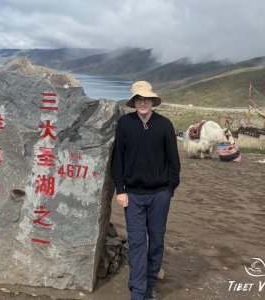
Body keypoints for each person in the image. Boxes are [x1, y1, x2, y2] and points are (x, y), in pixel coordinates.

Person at [111, 81, 180, 300]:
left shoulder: (165, 125)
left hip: (160, 194)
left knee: (157, 241)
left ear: (152, 101)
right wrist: (120, 190)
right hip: (132, 196)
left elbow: (173, 161)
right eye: (139, 99)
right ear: (134, 102)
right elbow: (117, 160)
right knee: (137, 243)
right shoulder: (125, 123)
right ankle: (138, 293)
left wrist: (169, 189)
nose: (143, 102)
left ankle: (149, 286)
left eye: (146, 99)